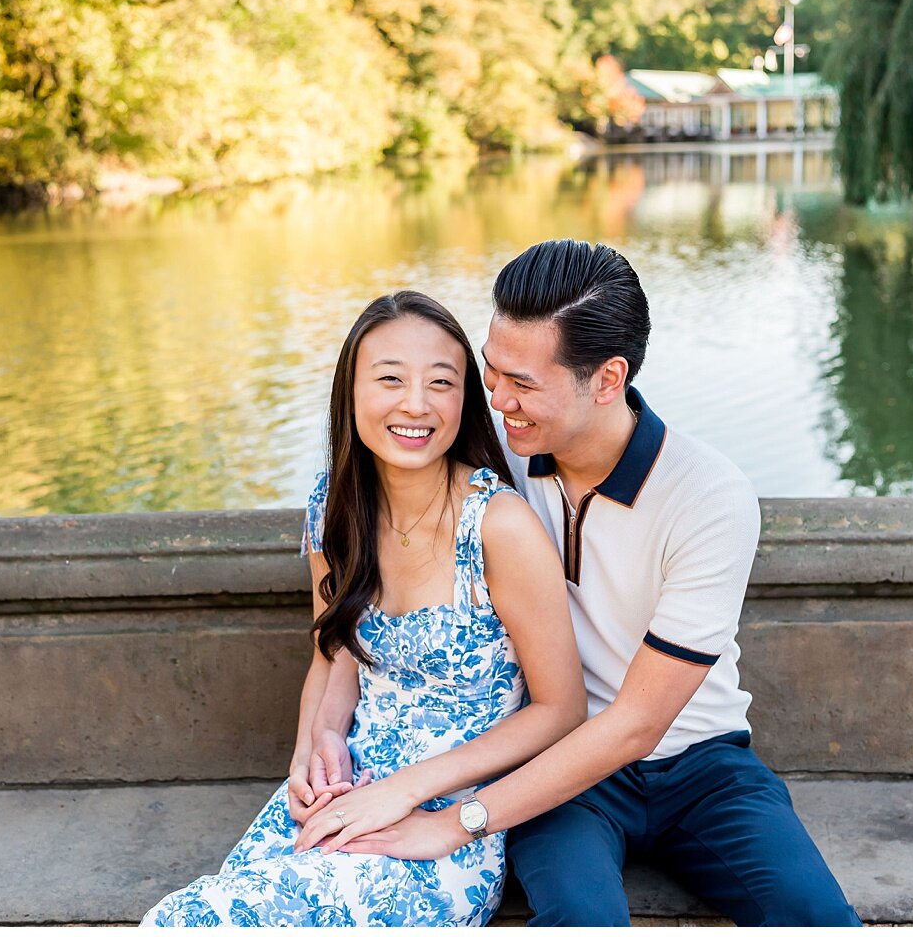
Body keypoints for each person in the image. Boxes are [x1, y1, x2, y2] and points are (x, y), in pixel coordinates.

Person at [301, 240, 863, 926]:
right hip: (557, 771)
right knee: (580, 917)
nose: (498, 399)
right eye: (491, 370)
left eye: (524, 383)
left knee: (821, 918)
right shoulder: (496, 454)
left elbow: (635, 724)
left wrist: (454, 823)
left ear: (606, 378)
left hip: (702, 766)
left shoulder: (708, 497)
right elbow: (370, 546)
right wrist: (326, 737)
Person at [141, 290, 585, 927]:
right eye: (390, 380)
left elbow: (561, 710)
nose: (416, 404)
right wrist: (312, 746)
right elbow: (333, 652)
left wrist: (405, 794)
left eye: (441, 382)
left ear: (466, 399)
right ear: (350, 391)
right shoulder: (336, 507)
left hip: (442, 820)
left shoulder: (498, 526)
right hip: (347, 790)